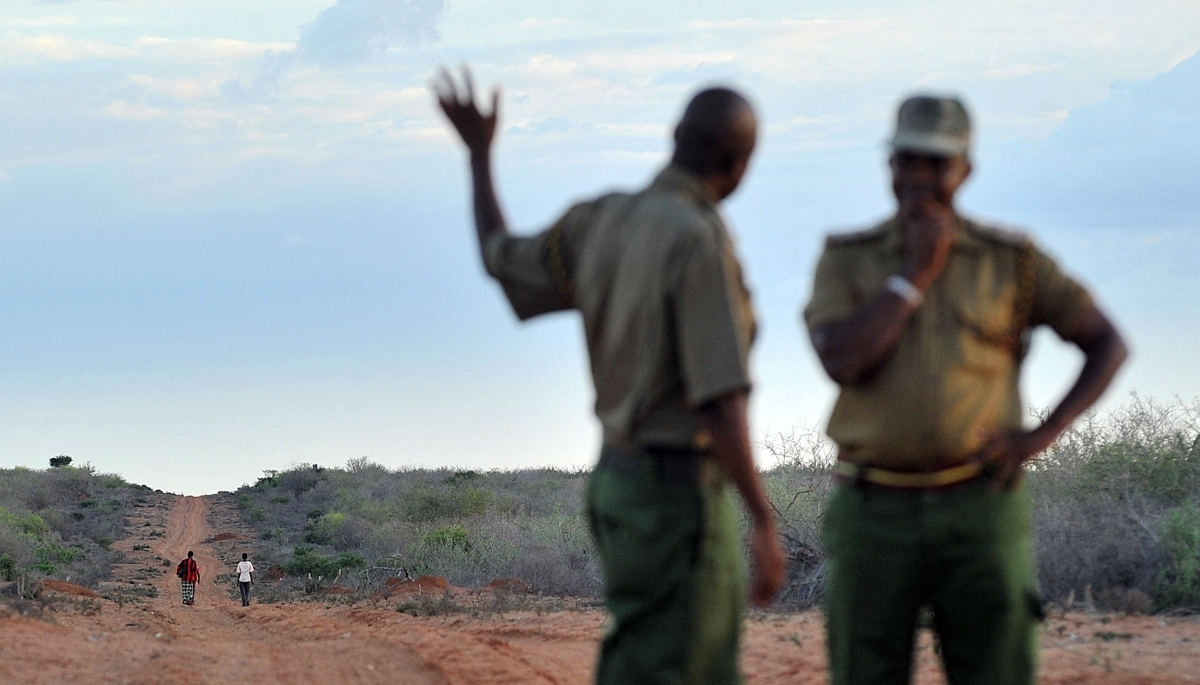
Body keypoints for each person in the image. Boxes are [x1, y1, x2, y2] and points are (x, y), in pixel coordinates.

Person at [432, 68, 786, 685]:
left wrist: (480, 156)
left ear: (674, 135)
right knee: (686, 666)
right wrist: (761, 516)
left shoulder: (599, 221)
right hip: (679, 498)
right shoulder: (698, 239)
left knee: (642, 654)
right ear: (740, 162)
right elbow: (720, 399)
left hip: (618, 484)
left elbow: (499, 258)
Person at [804, 94, 1129, 685]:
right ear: (890, 166)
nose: (919, 177)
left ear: (966, 170)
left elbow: (1107, 343)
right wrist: (915, 274)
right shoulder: (847, 258)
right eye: (907, 161)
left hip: (978, 506)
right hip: (871, 509)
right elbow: (842, 362)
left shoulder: (1012, 261)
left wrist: (1040, 438)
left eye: (937, 163)